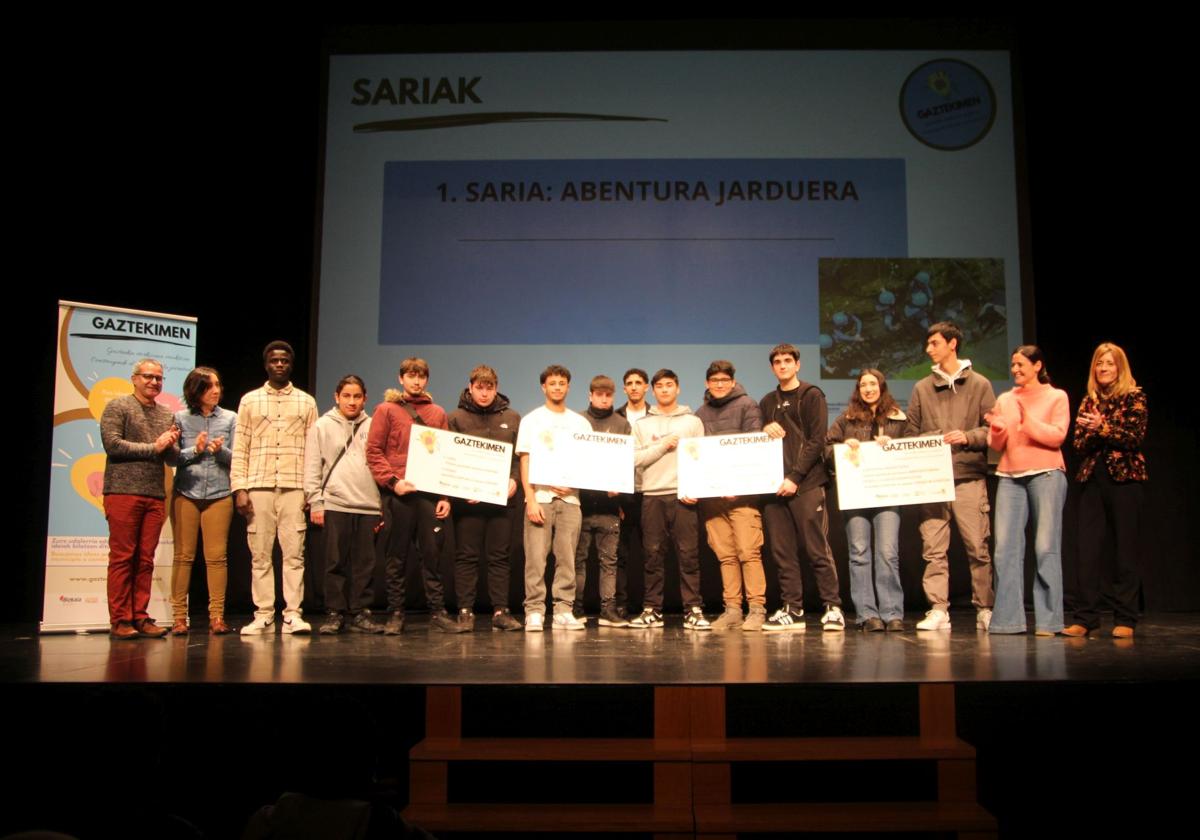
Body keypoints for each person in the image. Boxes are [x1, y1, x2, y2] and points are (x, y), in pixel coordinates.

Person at [904, 322, 996, 631]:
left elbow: (993, 430)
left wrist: (967, 436)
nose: (929, 349)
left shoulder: (980, 384)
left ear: (952, 344)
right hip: (933, 480)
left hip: (968, 476)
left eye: (934, 343)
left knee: (977, 547)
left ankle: (985, 607)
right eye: (928, 344)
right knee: (933, 548)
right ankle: (938, 609)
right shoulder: (921, 388)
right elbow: (911, 434)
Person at [366, 358, 464, 634]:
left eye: (421, 377)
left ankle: (437, 612)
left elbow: (446, 456)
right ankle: (396, 613)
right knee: (396, 556)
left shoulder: (437, 413)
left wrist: (446, 496)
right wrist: (393, 482)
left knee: (432, 555)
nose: (416, 381)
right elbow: (374, 452)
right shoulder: (386, 410)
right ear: (401, 379)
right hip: (398, 493)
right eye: (411, 376)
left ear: (427, 380)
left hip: (429, 493)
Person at [232, 341, 318, 635]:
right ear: (266, 364)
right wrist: (239, 488)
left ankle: (293, 613)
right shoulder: (250, 400)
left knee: (294, 554)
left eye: (284, 361)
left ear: (291, 365)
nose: (279, 364)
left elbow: (313, 450)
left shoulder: (306, 402)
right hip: (259, 485)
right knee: (260, 554)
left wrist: (311, 490)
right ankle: (264, 614)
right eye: (274, 360)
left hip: (294, 487)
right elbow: (240, 446)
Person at [1064, 342, 1148, 639]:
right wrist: (1094, 431)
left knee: (1125, 550)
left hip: (1125, 479)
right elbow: (1077, 444)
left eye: (1109, 364)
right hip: (1092, 479)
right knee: (1087, 550)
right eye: (1099, 364)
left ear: (1120, 368)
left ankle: (1125, 617)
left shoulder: (1134, 397)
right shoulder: (1088, 401)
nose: (1103, 369)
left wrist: (1101, 428)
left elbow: (1133, 437)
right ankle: (1085, 618)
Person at [759, 344, 845, 632]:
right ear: (772, 368)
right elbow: (762, 442)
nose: (782, 366)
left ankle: (833, 607)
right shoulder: (767, 401)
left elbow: (817, 440)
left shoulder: (811, 395)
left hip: (806, 484)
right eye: (777, 362)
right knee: (782, 552)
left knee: (816, 547)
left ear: (797, 364)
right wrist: (764, 429)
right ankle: (792, 609)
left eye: (787, 361)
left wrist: (795, 477)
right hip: (773, 487)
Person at [985, 346, 1069, 636]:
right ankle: (1008, 620)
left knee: (1045, 547)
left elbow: (1057, 436)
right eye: (1012, 365)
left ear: (1037, 366)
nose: (1015, 369)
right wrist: (997, 428)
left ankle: (1048, 620)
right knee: (1005, 550)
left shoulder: (1056, 396)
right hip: (1010, 476)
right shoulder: (1005, 398)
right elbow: (996, 445)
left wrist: (1026, 421)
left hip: (1046, 474)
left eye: (1021, 364)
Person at [100, 358, 179, 640]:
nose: (154, 382)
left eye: (158, 378)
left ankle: (140, 616)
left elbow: (170, 456)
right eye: (148, 376)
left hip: (154, 494)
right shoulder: (118, 406)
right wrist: (154, 446)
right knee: (123, 557)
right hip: (122, 491)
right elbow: (113, 445)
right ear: (134, 378)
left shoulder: (166, 413)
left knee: (145, 559)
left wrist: (174, 445)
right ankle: (120, 619)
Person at [826, 369, 907, 632]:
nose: (868, 389)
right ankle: (867, 614)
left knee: (887, 553)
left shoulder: (898, 418)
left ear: (882, 387)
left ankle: (892, 612)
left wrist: (892, 445)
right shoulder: (846, 419)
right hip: (857, 493)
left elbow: (912, 448)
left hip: (887, 493)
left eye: (873, 384)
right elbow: (827, 449)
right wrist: (843, 448)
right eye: (863, 385)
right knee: (859, 553)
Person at [305, 375, 386, 635]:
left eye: (357, 396)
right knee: (334, 563)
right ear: (336, 397)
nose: (352, 401)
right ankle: (334, 613)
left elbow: (381, 466)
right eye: (347, 396)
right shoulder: (322, 426)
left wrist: (381, 505)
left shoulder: (374, 426)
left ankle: (361, 613)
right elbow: (312, 466)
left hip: (368, 505)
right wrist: (315, 501)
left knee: (365, 564)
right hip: (336, 503)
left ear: (365, 399)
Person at [629, 369, 708, 630]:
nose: (664, 390)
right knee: (652, 555)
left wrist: (696, 488)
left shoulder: (692, 421)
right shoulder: (641, 425)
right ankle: (652, 609)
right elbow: (634, 460)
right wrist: (662, 446)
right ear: (653, 391)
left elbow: (701, 459)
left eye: (669, 385)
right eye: (659, 386)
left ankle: (693, 610)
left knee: (688, 555)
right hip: (652, 495)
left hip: (683, 495)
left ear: (678, 388)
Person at [515, 365, 592, 631]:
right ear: (543, 387)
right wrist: (531, 498)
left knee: (567, 558)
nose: (557, 387)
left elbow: (587, 462)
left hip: (571, 500)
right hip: (541, 498)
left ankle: (563, 610)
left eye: (562, 383)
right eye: (552, 383)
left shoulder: (580, 423)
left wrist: (574, 485)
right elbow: (525, 460)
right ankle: (534, 611)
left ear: (568, 387)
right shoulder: (531, 420)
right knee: (536, 558)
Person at [447, 365, 523, 632]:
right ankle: (465, 611)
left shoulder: (512, 417)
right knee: (467, 556)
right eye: (479, 387)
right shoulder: (455, 417)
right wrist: (461, 487)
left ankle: (500, 611)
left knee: (500, 557)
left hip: (502, 501)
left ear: (496, 387)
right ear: (470, 387)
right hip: (468, 503)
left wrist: (514, 480)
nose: (484, 392)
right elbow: (449, 459)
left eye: (489, 387)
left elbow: (519, 456)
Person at [694, 360, 768, 631]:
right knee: (725, 556)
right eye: (715, 380)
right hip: (713, 499)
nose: (720, 384)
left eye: (725, 380)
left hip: (743, 496)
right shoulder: (700, 413)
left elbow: (753, 448)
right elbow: (696, 455)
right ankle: (733, 609)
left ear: (733, 382)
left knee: (749, 553)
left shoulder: (748, 405)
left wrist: (738, 485)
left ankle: (757, 609)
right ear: (707, 384)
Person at [170, 366, 237, 635]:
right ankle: (178, 618)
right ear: (196, 390)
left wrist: (221, 452)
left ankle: (217, 616)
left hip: (220, 494)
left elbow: (239, 458)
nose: (216, 390)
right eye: (210, 386)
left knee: (216, 558)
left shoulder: (231, 418)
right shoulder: (180, 418)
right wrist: (193, 450)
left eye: (218, 385)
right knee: (184, 556)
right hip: (187, 492)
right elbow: (171, 457)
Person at [574, 376, 632, 627]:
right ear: (590, 395)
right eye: (599, 394)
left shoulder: (622, 424)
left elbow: (627, 461)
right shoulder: (577, 421)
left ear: (613, 396)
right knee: (577, 561)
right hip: (580, 505)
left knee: (609, 562)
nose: (604, 398)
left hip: (609, 507)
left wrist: (619, 488)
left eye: (608, 395)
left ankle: (608, 609)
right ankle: (575, 609)